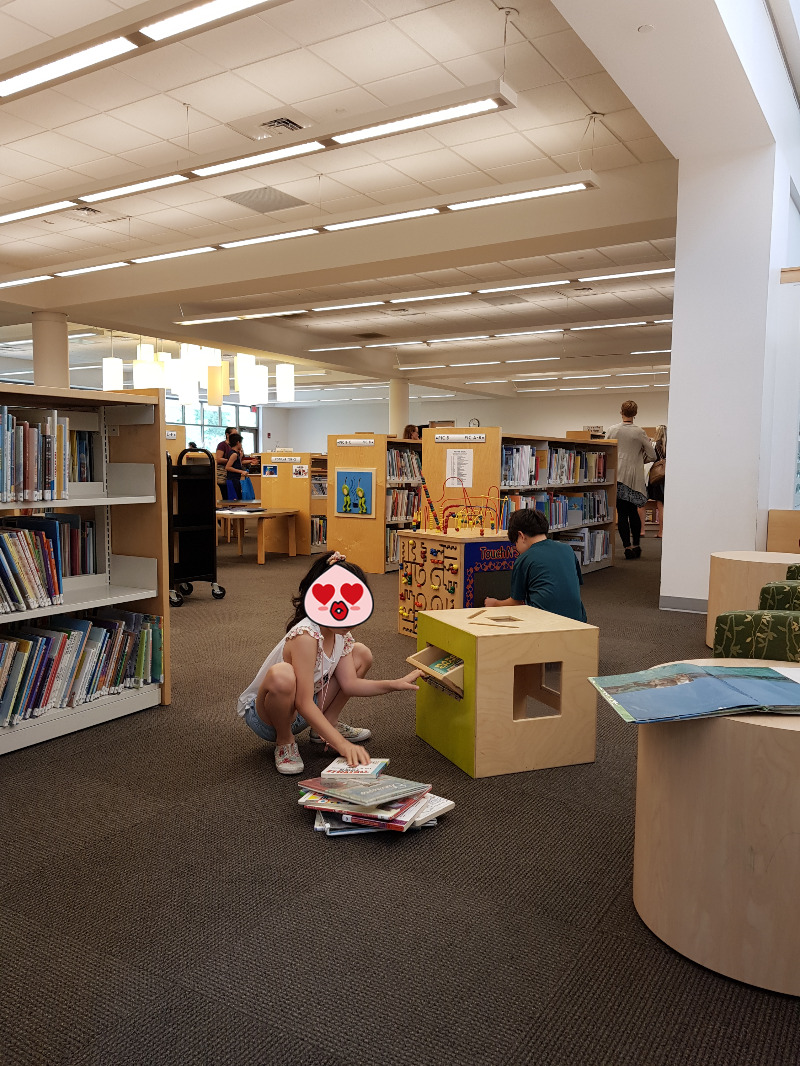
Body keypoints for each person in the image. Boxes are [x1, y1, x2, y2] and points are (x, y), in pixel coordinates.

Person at [237, 551, 423, 774]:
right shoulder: (306, 636)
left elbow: (350, 684)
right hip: (269, 718)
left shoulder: (339, 634)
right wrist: (342, 744)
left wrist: (394, 684)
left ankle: (326, 726)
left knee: (361, 654)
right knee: (283, 675)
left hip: (304, 712)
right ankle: (285, 742)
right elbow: (303, 701)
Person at [484, 508, 587, 622]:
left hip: (544, 623)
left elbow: (516, 602)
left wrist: (495, 604)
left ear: (521, 536)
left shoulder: (524, 558)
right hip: (579, 621)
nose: (516, 549)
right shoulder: (567, 549)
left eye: (515, 543)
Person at [606, 401, 656, 560]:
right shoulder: (639, 432)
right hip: (634, 478)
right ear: (635, 414)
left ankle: (627, 547)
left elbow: (605, 449)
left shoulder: (612, 430)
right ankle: (636, 545)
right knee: (633, 511)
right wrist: (639, 459)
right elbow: (652, 455)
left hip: (617, 475)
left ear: (621, 412)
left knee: (621, 512)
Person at [647, 424, 667, 538]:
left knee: (660, 505)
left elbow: (651, 458)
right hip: (669, 477)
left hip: (659, 477)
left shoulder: (656, 445)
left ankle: (661, 531)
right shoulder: (670, 444)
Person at [223, 432, 245, 500]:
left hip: (235, 480)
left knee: (238, 498)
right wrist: (241, 471)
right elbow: (228, 467)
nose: (241, 445)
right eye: (241, 443)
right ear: (238, 443)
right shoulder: (234, 454)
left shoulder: (236, 454)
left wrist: (240, 456)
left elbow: (237, 464)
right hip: (232, 480)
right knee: (235, 500)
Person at [215, 427, 234, 501]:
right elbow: (218, 459)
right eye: (234, 434)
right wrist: (231, 460)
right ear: (227, 435)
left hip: (233, 475)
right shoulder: (222, 445)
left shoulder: (235, 445)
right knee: (226, 496)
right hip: (224, 474)